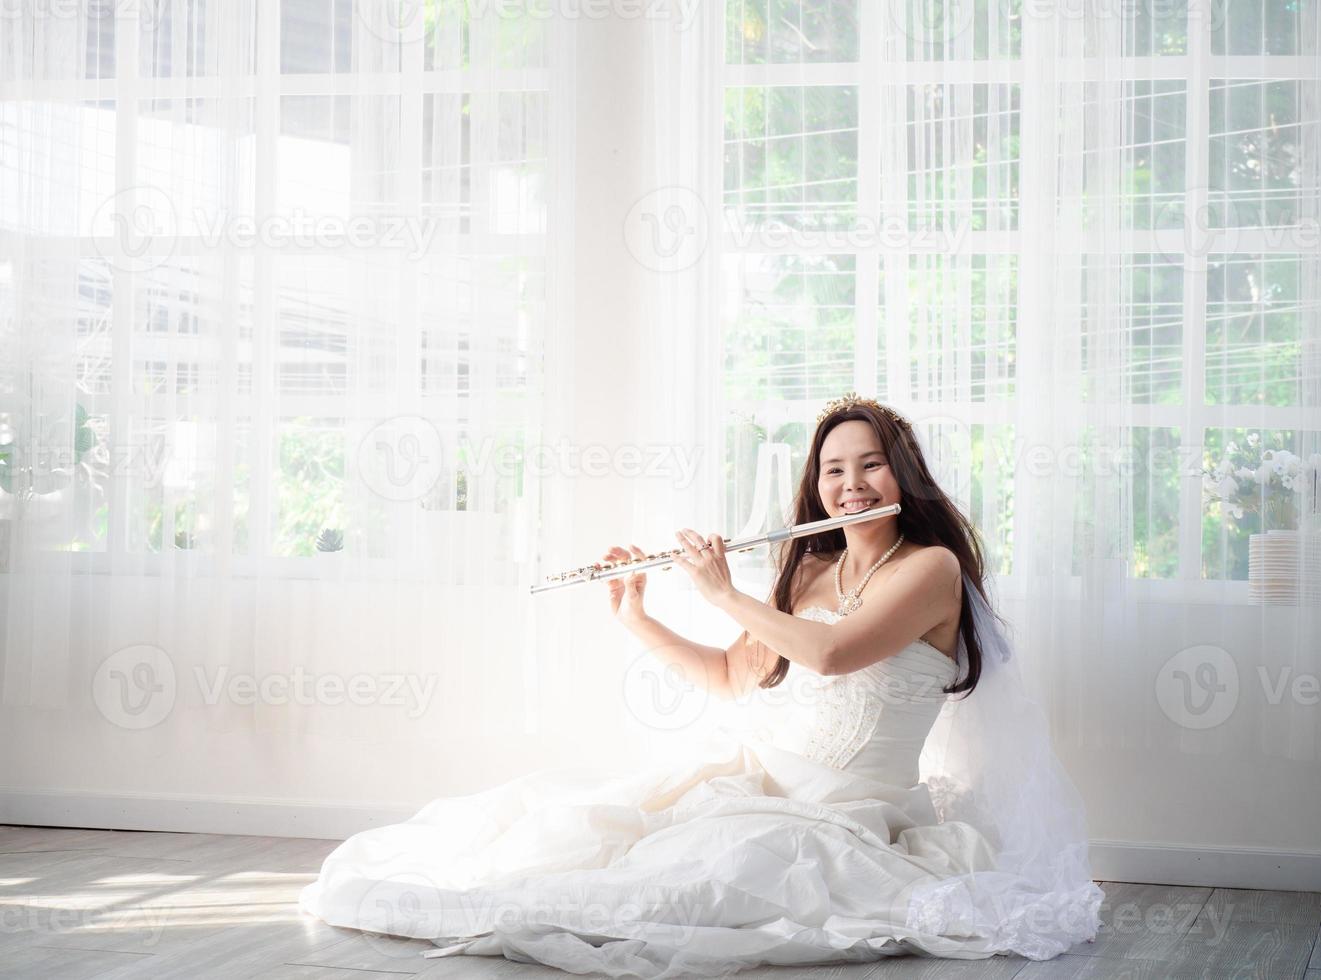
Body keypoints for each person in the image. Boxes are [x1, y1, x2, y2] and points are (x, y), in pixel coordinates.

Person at [299, 392, 1104, 977]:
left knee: (698, 887)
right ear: (815, 484)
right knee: (577, 843)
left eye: (869, 466)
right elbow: (730, 675)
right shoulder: (810, 569)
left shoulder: (931, 570)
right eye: (832, 469)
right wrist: (637, 616)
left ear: (903, 476)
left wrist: (724, 591)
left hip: (848, 815)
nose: (850, 484)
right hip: (755, 781)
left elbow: (831, 657)